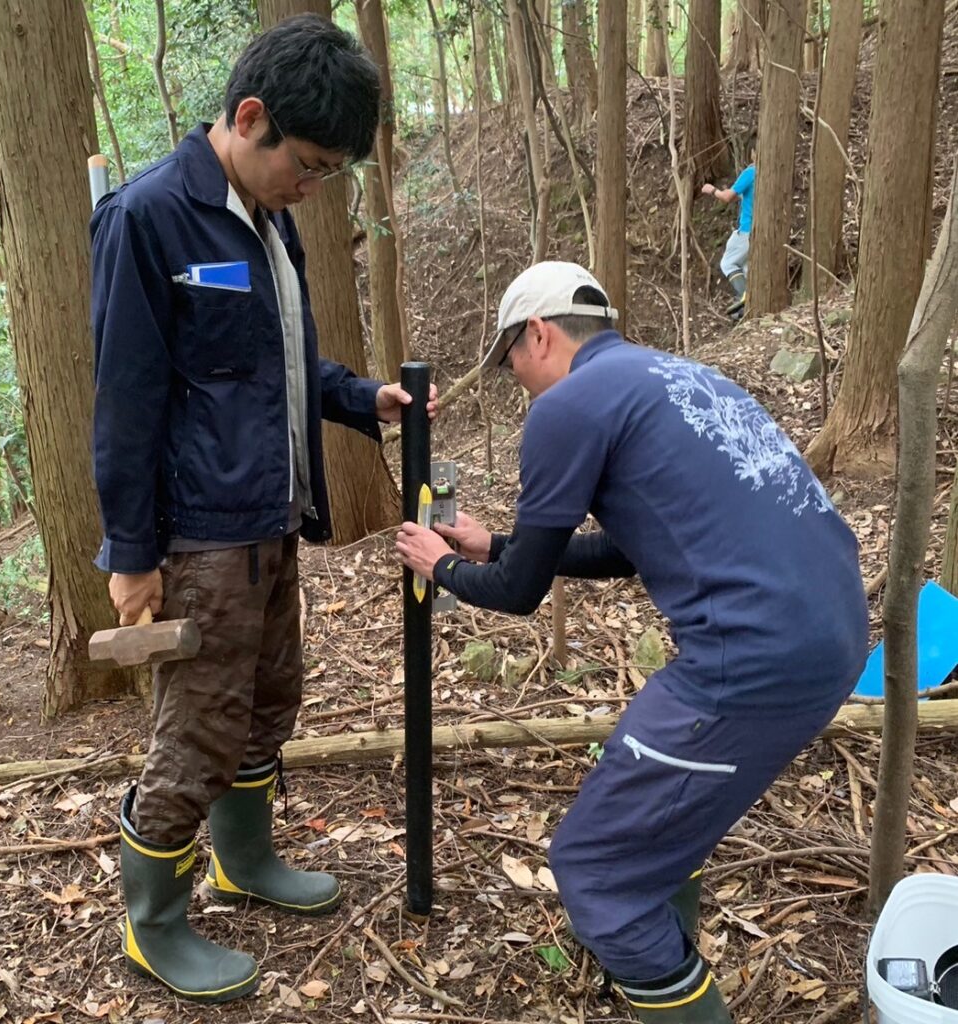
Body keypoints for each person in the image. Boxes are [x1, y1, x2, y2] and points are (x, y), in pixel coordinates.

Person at [396, 261, 867, 1023]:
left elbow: (519, 596)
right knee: (643, 838)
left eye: (511, 362)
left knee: (597, 871)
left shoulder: (568, 406)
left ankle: (648, 959)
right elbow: (640, 546)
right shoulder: (681, 380)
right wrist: (497, 546)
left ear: (538, 334)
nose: (518, 381)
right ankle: (648, 955)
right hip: (829, 631)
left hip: (748, 660)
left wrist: (441, 565)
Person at [91, 15, 436, 1004]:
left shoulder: (267, 221)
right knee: (195, 731)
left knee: (268, 702)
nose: (315, 186)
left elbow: (272, 362)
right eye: (313, 164)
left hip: (272, 519)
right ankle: (153, 922)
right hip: (199, 536)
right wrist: (130, 551)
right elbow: (126, 394)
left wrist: (355, 397)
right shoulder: (150, 218)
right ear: (251, 119)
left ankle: (245, 861)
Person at [702, 135, 756, 320]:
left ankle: (746, 296)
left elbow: (727, 197)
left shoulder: (751, 172)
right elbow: (736, 197)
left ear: (754, 153)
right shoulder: (773, 173)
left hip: (747, 231)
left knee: (728, 263)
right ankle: (747, 310)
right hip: (760, 233)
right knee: (746, 268)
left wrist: (712, 190)